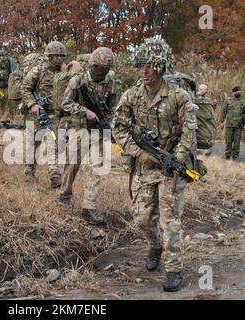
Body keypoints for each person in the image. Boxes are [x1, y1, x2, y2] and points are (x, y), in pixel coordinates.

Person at [113, 37, 198, 292]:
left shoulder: (179, 96)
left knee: (170, 221)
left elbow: (189, 132)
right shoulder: (132, 94)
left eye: (150, 65)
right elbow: (118, 127)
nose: (145, 70)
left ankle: (174, 269)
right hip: (145, 166)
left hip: (171, 168)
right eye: (142, 65)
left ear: (161, 67)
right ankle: (155, 244)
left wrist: (178, 159)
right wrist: (139, 154)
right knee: (141, 219)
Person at [59, 47, 120, 224]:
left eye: (105, 69)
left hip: (99, 130)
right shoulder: (78, 80)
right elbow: (65, 103)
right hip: (79, 127)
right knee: (72, 164)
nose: (101, 72)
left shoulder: (112, 82)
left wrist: (109, 126)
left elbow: (114, 108)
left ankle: (89, 207)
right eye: (98, 68)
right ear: (92, 66)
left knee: (97, 166)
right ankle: (64, 194)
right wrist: (84, 111)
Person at [20, 41, 67, 188]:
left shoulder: (65, 72)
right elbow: (25, 88)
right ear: (49, 56)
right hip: (36, 113)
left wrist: (68, 74)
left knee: (54, 142)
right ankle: (29, 173)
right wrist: (32, 104)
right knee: (33, 144)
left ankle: (54, 174)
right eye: (56, 56)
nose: (59, 59)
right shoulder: (37, 70)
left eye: (61, 56)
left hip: (55, 114)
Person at [219, 86, 245, 160]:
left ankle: (235, 157)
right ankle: (227, 156)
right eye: (237, 91)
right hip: (229, 125)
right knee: (228, 141)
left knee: (237, 143)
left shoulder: (243, 101)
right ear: (233, 92)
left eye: (240, 91)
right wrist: (222, 122)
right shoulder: (228, 101)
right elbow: (224, 112)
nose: (239, 93)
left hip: (239, 125)